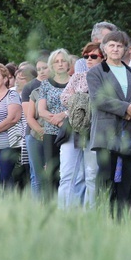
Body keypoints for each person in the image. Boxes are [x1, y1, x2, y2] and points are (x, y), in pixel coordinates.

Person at [87, 31, 131, 218]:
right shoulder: (96, 72)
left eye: (119, 46)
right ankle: (102, 219)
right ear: (104, 48)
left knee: (129, 181)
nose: (116, 49)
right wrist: (126, 108)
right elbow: (98, 98)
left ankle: (121, 220)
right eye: (112, 45)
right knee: (106, 178)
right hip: (106, 133)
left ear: (125, 49)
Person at [59, 42, 103, 207]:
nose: (89, 59)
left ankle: (88, 213)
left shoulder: (106, 76)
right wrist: (81, 99)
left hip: (95, 128)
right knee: (68, 173)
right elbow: (64, 98)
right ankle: (64, 211)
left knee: (91, 174)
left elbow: (100, 100)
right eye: (86, 56)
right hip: (75, 128)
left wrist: (78, 98)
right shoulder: (78, 76)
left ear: (103, 57)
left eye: (93, 56)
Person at [38, 49, 72, 198]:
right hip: (51, 132)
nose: (60, 64)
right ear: (51, 65)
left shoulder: (75, 82)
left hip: (71, 131)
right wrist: (58, 122)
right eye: (56, 61)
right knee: (52, 170)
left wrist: (64, 119)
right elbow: (41, 111)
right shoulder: (45, 85)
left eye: (63, 60)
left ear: (68, 63)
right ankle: (51, 203)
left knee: (68, 170)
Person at [22, 55, 50, 198]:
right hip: (34, 133)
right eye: (38, 69)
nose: (41, 71)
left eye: (44, 68)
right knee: (37, 175)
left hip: (55, 134)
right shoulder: (30, 87)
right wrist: (42, 132)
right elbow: (29, 116)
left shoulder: (60, 84)